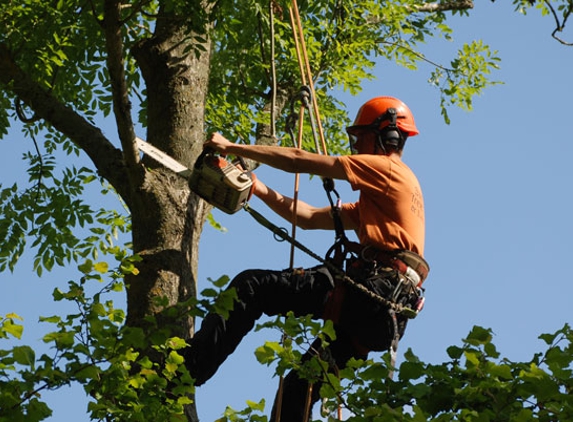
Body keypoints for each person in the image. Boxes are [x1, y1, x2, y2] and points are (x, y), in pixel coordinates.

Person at [184, 96, 429, 421]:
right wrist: (258, 188)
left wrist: (233, 147)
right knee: (300, 387)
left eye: (360, 137)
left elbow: (300, 159)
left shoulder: (386, 170)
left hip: (372, 296)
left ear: (387, 136)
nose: (355, 145)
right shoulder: (379, 199)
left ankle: (185, 370)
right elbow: (309, 217)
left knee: (252, 287)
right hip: (381, 315)